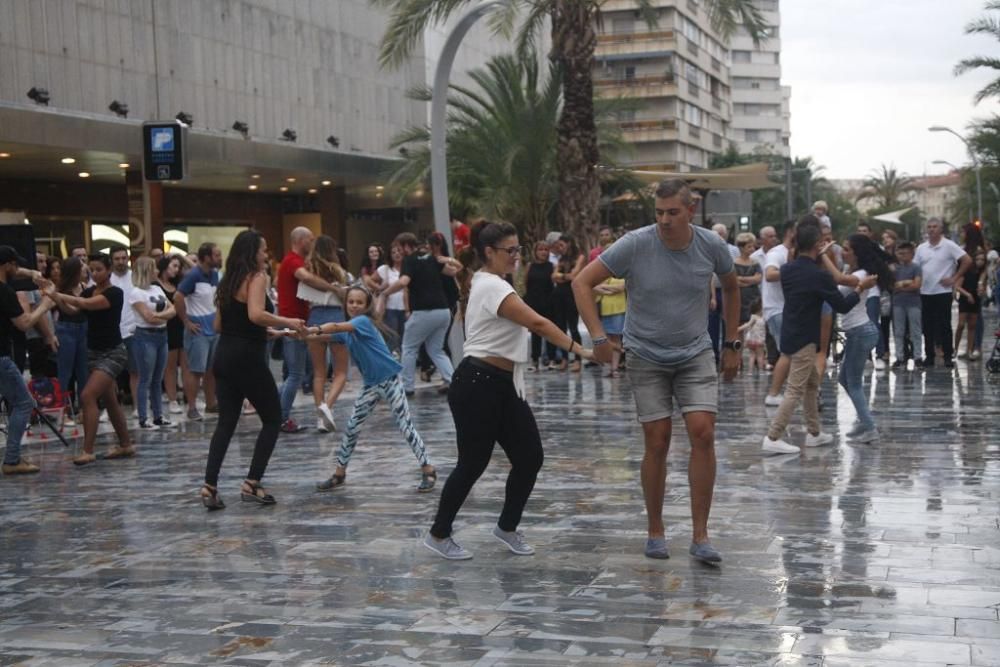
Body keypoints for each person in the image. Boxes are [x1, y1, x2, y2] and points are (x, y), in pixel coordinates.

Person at [573, 178, 740, 565]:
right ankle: (655, 530)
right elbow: (582, 283)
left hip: (696, 351)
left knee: (703, 431)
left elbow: (731, 288)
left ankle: (701, 535)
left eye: (673, 213)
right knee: (658, 440)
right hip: (645, 353)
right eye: (659, 213)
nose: (664, 220)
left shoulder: (710, 245)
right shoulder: (636, 243)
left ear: (690, 210)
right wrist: (598, 337)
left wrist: (731, 343)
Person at [424, 221, 594, 560]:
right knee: (473, 463)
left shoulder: (493, 283)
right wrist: (585, 350)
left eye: (518, 250)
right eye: (510, 250)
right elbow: (538, 323)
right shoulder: (490, 286)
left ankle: (507, 527)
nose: (517, 256)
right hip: (477, 384)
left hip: (503, 385)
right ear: (489, 253)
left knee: (530, 457)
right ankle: (439, 534)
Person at [200, 230, 306, 510]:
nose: (266, 255)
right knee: (273, 419)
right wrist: (289, 321)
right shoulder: (257, 277)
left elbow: (220, 326)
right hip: (247, 357)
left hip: (224, 355)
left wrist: (267, 332)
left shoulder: (227, 281)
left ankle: (209, 486)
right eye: (263, 250)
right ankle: (252, 482)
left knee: (226, 423)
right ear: (251, 253)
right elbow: (255, 314)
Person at [760, 220, 875, 455]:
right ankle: (773, 436)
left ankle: (814, 433)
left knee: (812, 383)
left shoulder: (788, 270)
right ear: (816, 245)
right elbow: (842, 306)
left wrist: (819, 254)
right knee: (794, 390)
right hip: (806, 338)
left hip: (792, 333)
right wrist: (860, 288)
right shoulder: (819, 276)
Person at [313, 286, 436, 493]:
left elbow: (333, 326)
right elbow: (322, 337)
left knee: (405, 426)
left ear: (366, 306)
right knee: (352, 427)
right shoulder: (348, 331)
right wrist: (295, 333)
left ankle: (428, 469)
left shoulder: (362, 322)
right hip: (370, 385)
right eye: (351, 302)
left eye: (359, 302)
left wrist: (312, 330)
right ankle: (339, 473)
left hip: (390, 380)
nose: (354, 306)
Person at [40, 254, 135, 466]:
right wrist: (54, 297)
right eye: (91, 269)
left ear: (108, 270)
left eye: (99, 269)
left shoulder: (115, 293)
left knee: (87, 395)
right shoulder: (90, 290)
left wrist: (57, 293)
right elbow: (72, 310)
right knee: (110, 399)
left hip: (113, 352)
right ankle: (126, 444)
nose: (94, 273)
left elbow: (86, 304)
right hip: (94, 352)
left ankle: (88, 450)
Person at [381, 232, 461, 396]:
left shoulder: (409, 261)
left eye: (399, 247)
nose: (398, 252)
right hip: (444, 311)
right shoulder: (431, 258)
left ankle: (407, 387)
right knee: (436, 349)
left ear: (405, 246)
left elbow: (404, 282)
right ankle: (452, 379)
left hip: (424, 312)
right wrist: (448, 259)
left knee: (409, 347)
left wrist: (385, 293)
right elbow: (455, 271)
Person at [0, 247, 56, 474]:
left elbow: (15, 269)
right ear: (7, 266)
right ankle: (12, 459)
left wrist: (33, 273)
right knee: (24, 404)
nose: (16, 270)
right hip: (1, 358)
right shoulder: (4, 292)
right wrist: (46, 304)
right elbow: (23, 323)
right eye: (14, 265)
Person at [300, 235, 350, 432]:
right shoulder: (339, 272)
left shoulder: (308, 270)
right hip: (336, 318)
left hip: (315, 318)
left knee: (318, 373)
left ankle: (320, 417)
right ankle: (327, 407)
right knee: (341, 371)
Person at [916, 218, 972, 368]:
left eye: (935, 227)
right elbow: (916, 267)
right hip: (925, 292)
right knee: (927, 326)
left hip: (942, 292)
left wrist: (954, 278)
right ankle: (929, 356)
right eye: (929, 227)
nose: (932, 229)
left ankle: (948, 356)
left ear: (941, 229)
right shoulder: (921, 248)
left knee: (944, 325)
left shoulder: (949, 245)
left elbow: (967, 260)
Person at [128, 257, 175, 430]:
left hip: (162, 335)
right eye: (154, 268)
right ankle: (143, 417)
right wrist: (163, 317)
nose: (157, 271)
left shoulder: (157, 288)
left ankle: (158, 415)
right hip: (145, 336)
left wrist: (159, 317)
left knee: (157, 378)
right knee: (145, 378)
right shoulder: (136, 293)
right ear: (147, 270)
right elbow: (147, 318)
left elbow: (173, 309)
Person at [176, 243, 222, 420]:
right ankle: (192, 407)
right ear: (207, 257)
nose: (219, 258)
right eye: (216, 255)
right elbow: (178, 297)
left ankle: (211, 404)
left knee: (211, 370)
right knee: (195, 370)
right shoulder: (193, 276)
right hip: (198, 329)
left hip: (213, 328)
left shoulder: (214, 275)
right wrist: (186, 321)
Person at [762, 220, 797, 405]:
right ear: (791, 232)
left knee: (792, 353)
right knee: (788, 352)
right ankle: (774, 394)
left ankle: (786, 392)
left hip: (788, 309)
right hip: (777, 309)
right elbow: (769, 274)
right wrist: (793, 270)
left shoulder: (795, 254)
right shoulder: (777, 253)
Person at [53, 258, 89, 422]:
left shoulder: (85, 287)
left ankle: (84, 409)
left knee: (84, 372)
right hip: (66, 329)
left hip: (84, 328)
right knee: (65, 373)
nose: (85, 270)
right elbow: (70, 310)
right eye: (82, 268)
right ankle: (63, 411)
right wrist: (60, 298)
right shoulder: (61, 289)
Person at [155, 254, 188, 413]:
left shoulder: (179, 283)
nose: (176, 269)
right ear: (164, 267)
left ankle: (189, 396)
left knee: (186, 364)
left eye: (178, 266)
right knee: (170, 366)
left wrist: (181, 257)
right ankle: (172, 399)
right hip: (167, 326)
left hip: (182, 324)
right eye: (173, 266)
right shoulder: (156, 285)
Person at [109, 246, 140, 413]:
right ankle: (111, 408)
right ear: (112, 261)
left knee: (135, 371)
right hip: (112, 331)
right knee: (110, 374)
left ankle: (137, 407)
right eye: (117, 259)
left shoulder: (135, 277)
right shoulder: (107, 278)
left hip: (133, 330)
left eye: (123, 258)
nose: (121, 262)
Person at [550, 235, 585, 372]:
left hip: (572, 296)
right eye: (558, 246)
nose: (559, 248)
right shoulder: (561, 260)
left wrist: (562, 276)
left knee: (574, 328)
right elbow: (553, 276)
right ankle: (565, 358)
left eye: (561, 245)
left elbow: (574, 275)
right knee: (561, 328)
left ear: (569, 244)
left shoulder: (579, 257)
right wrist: (565, 276)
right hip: (559, 296)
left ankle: (578, 359)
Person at [955, 224, 985, 360]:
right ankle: (960, 349)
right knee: (962, 323)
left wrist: (980, 283)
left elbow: (983, 269)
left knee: (974, 321)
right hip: (964, 285)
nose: (961, 235)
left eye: (963, 232)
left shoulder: (978, 250)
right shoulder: (962, 249)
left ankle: (973, 348)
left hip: (975, 286)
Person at [891, 242, 923, 370]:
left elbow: (917, 285)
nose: (902, 256)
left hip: (913, 303)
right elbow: (891, 286)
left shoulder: (916, 268)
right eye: (900, 253)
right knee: (898, 331)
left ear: (911, 254)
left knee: (916, 331)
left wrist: (901, 285)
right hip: (898, 303)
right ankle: (899, 357)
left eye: (905, 253)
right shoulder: (894, 269)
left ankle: (918, 357)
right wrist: (907, 283)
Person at [523, 241, 554, 372]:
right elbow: (525, 283)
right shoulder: (530, 266)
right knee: (536, 332)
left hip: (549, 302)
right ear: (535, 252)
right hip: (533, 303)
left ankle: (551, 359)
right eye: (540, 249)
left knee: (550, 331)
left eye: (546, 249)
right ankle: (535, 360)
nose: (543, 252)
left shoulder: (552, 266)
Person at [376, 243, 406, 347]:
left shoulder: (408, 269)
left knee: (405, 338)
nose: (396, 254)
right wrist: (380, 288)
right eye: (393, 252)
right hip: (390, 308)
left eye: (399, 251)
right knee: (392, 337)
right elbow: (367, 280)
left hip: (406, 308)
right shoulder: (385, 269)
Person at [733, 232, 762, 337]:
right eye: (749, 247)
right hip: (740, 298)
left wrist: (742, 278)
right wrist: (751, 280)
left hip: (754, 298)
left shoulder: (755, 262)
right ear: (741, 248)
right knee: (739, 328)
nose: (752, 249)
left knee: (755, 327)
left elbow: (758, 279)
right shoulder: (734, 263)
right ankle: (738, 352)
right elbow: (735, 282)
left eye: (753, 246)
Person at [739, 299, 767, 372]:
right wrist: (738, 329)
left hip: (751, 341)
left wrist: (738, 328)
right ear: (759, 309)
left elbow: (747, 325)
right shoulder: (761, 318)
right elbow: (748, 325)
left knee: (752, 356)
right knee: (760, 356)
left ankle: (750, 371)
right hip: (759, 341)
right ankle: (761, 370)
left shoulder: (753, 316)